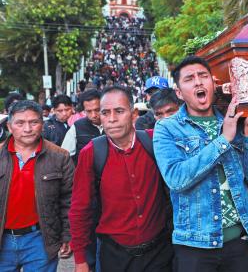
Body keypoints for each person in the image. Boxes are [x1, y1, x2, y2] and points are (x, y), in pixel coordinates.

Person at [153, 56, 248, 272]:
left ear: (213, 84)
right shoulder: (167, 128)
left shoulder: (236, 121)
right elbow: (176, 179)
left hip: (241, 241)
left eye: (203, 76)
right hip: (195, 246)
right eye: (189, 79)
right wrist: (223, 140)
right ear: (179, 93)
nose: (198, 82)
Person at [69, 86, 173, 272]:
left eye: (119, 111)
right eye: (105, 113)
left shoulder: (154, 142)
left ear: (133, 114)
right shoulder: (91, 153)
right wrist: (80, 260)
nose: (112, 119)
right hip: (114, 255)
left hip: (159, 252)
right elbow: (80, 209)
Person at [0, 100, 74, 271]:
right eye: (20, 123)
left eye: (34, 122)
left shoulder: (60, 157)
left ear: (42, 124)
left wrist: (67, 236)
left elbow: (69, 200)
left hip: (40, 240)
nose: (27, 129)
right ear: (10, 127)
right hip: (3, 242)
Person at [62, 89, 103, 164]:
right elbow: (64, 156)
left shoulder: (113, 124)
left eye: (97, 110)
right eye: (89, 111)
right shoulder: (77, 127)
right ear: (84, 110)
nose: (93, 115)